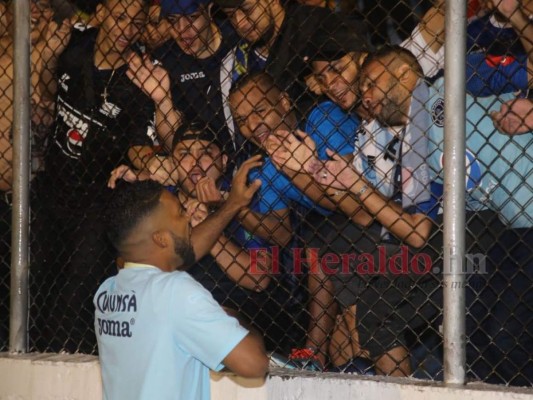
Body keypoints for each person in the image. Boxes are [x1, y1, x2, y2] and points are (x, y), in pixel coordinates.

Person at [31, 0, 170, 353]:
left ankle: (66, 359)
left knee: (78, 288)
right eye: (120, 16)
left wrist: (150, 166)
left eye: (135, 23)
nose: (126, 28)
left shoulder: (139, 76)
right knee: (38, 279)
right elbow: (48, 93)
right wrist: (48, 55)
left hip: (97, 198)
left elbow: (141, 143)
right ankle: (32, 353)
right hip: (53, 185)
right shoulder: (75, 44)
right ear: (103, 12)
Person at [96, 168, 268, 399]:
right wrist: (228, 316)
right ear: (160, 238)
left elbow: (176, 253)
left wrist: (231, 205)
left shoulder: (107, 293)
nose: (188, 216)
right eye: (180, 213)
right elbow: (254, 364)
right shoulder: (176, 292)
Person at [229, 71, 362, 368]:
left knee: (322, 236)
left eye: (260, 110)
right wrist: (234, 206)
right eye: (241, 120)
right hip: (338, 237)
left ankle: (312, 353)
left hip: (378, 210)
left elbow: (348, 201)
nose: (252, 125)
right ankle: (312, 356)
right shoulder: (261, 166)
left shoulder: (323, 119)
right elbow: (281, 234)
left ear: (285, 102)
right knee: (318, 237)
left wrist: (295, 170)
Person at [216, 0, 368, 114]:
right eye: (231, 15)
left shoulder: (319, 26)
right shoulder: (239, 60)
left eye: (247, 9)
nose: (240, 22)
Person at [152, 0, 240, 154]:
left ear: (209, 10)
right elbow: (172, 146)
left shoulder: (236, 39)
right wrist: (162, 101)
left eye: (192, 17)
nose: (182, 29)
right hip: (201, 157)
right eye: (172, 20)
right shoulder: (167, 59)